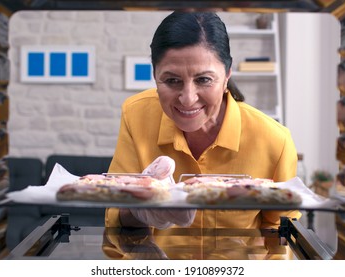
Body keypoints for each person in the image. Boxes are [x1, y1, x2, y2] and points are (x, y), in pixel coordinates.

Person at [104, 11, 301, 259]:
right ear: (155, 75)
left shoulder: (275, 140)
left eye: (204, 80)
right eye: (172, 80)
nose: (188, 98)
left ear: (227, 74)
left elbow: (279, 232)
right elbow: (115, 217)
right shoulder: (135, 115)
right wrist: (139, 211)